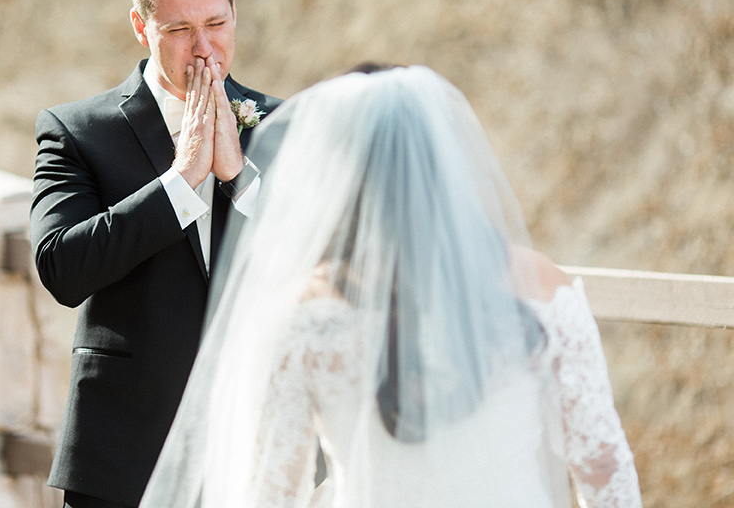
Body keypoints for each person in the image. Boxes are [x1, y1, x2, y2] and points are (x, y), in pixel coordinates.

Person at [139, 65, 643, 507]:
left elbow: (272, 494)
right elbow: (602, 465)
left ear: (336, 175)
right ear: (445, 163)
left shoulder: (305, 315)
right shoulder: (541, 285)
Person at [30, 0, 282, 508]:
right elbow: (61, 268)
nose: (203, 50)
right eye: (178, 30)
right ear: (142, 29)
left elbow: (322, 261)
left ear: (235, 15)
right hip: (125, 451)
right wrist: (181, 181)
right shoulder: (76, 131)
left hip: (257, 444)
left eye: (216, 23)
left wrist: (239, 180)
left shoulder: (282, 124)